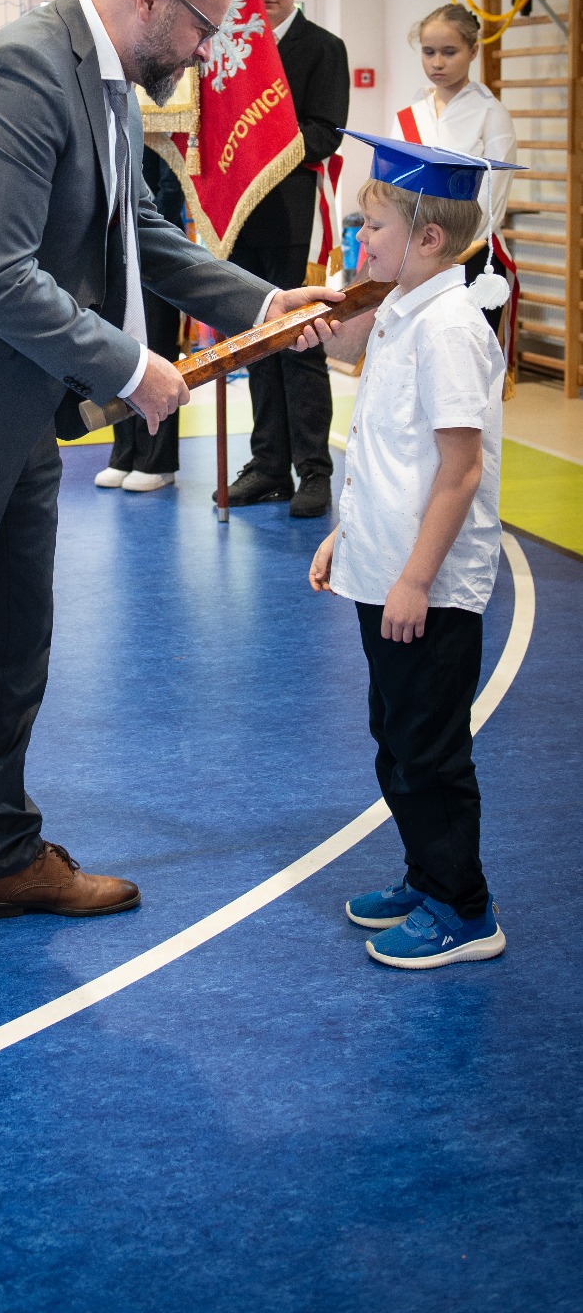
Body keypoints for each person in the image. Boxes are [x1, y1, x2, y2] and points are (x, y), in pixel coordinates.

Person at [0, 0, 342, 1010]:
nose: (206, 54)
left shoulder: (107, 81)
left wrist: (260, 303)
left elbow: (136, 236)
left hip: (17, 405)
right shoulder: (18, 73)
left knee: (14, 641)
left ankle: (2, 854)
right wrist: (132, 366)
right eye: (203, 28)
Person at [309, 130, 521, 969]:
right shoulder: (403, 310)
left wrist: (414, 579)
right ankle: (424, 876)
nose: (359, 242)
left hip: (424, 587)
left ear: (427, 239)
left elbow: (458, 471)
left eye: (373, 228)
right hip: (386, 567)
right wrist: (346, 534)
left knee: (428, 751)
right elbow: (388, 452)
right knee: (395, 737)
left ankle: (463, 909)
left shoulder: (450, 330)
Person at [226, 0, 350, 518]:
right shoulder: (235, 46)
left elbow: (325, 133)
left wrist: (261, 141)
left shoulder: (323, 48)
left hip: (297, 220)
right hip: (242, 220)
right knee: (257, 346)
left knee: (301, 347)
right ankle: (268, 466)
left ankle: (314, 472)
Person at [393, 2, 518, 340]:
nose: (437, 62)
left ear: (473, 51)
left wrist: (443, 250)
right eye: (428, 52)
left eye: (449, 52)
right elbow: (391, 188)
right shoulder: (410, 114)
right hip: (414, 251)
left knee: (467, 351)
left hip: (471, 253)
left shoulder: (491, 113)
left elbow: (492, 197)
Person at [94, 147, 185, 492]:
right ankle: (125, 451)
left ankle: (157, 459)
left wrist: (143, 230)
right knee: (120, 344)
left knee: (156, 345)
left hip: (151, 237)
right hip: (113, 239)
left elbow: (171, 183)